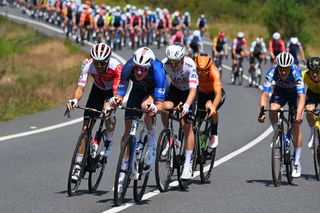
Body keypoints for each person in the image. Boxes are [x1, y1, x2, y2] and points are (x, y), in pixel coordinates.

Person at [106, 47, 166, 192]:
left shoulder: (158, 71)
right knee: (127, 132)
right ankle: (124, 169)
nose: (139, 72)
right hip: (137, 91)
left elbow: (160, 103)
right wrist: (115, 100)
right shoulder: (128, 67)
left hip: (153, 92)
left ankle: (151, 144)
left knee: (145, 107)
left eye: (144, 69)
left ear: (150, 68)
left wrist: (155, 108)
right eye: (137, 68)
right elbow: (121, 92)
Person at [66, 43, 122, 182]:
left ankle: (108, 142)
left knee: (107, 111)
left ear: (107, 60)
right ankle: (78, 166)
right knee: (85, 128)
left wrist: (111, 106)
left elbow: (116, 93)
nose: (99, 66)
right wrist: (74, 100)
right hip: (97, 91)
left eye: (102, 63)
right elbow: (80, 87)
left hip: (111, 92)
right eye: (97, 63)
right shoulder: (87, 64)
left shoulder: (116, 66)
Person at [258, 52, 305, 178]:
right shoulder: (272, 71)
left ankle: (296, 162)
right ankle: (277, 133)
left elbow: (301, 97)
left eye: (286, 69)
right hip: (280, 92)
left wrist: (299, 115)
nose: (283, 72)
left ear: (290, 67)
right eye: (281, 69)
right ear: (277, 66)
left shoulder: (296, 72)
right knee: (273, 108)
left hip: (295, 95)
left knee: (296, 124)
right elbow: (265, 95)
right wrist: (262, 111)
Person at [161, 43, 198, 180]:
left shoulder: (190, 65)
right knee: (164, 108)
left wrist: (187, 105)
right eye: (171, 62)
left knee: (187, 124)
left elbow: (193, 90)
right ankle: (170, 138)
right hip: (175, 90)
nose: (174, 65)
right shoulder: (165, 64)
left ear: (182, 59)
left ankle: (187, 164)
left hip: (189, 92)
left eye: (176, 62)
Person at [194, 53, 225, 152]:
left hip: (213, 94)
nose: (202, 74)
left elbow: (218, 93)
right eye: (199, 70)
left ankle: (214, 134)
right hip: (200, 94)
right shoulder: (192, 71)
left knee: (211, 108)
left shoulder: (214, 72)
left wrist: (213, 107)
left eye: (205, 71)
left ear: (209, 68)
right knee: (196, 118)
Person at [302, 57, 320, 149]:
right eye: (312, 72)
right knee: (309, 111)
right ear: (309, 71)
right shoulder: (304, 75)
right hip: (312, 93)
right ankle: (313, 132)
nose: (315, 74)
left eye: (317, 71)